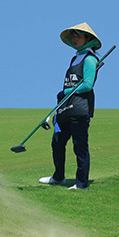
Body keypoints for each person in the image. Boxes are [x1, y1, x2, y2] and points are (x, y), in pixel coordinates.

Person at [39, 22, 102, 190]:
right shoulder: (75, 57)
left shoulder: (89, 59)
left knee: (79, 146)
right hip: (66, 108)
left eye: (78, 36)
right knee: (57, 142)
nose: (74, 39)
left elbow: (88, 85)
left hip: (80, 109)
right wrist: (66, 94)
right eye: (73, 36)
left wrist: (67, 91)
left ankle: (81, 184)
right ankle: (58, 177)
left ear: (88, 39)